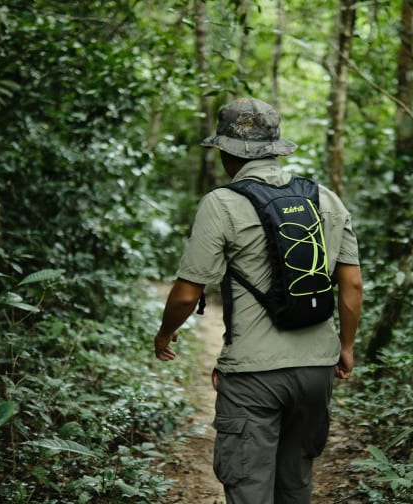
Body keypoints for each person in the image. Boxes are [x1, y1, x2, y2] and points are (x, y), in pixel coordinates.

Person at [153, 97, 363, 504]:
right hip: (316, 369)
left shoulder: (221, 203)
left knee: (249, 488)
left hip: (253, 377)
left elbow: (186, 294)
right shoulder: (326, 199)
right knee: (296, 482)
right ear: (276, 147)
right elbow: (351, 285)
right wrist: (347, 347)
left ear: (226, 151)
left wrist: (165, 335)